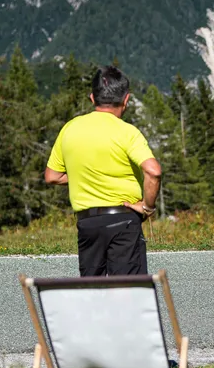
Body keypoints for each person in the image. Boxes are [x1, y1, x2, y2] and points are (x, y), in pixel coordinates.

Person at [45, 65, 162, 276]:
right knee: (128, 293)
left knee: (92, 292)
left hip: (88, 223)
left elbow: (52, 176)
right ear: (126, 100)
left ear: (92, 98)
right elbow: (153, 171)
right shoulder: (127, 132)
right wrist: (147, 207)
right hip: (124, 220)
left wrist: (86, 175)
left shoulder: (70, 128)